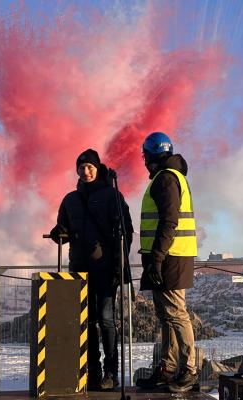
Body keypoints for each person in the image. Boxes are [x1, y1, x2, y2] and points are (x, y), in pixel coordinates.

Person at [49, 149, 133, 390]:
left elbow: (126, 231)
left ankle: (111, 372)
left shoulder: (113, 196)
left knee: (106, 319)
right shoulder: (70, 200)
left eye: (90, 167)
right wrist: (58, 233)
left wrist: (120, 264)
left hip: (106, 269)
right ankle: (92, 370)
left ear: (98, 169)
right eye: (81, 168)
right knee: (86, 320)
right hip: (79, 269)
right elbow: (63, 229)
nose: (85, 172)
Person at [133, 132, 199, 393]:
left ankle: (189, 369)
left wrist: (158, 258)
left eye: (145, 156)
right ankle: (168, 368)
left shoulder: (166, 179)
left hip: (170, 256)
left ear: (149, 155)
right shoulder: (171, 176)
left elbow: (169, 221)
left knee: (175, 313)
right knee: (165, 316)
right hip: (165, 255)